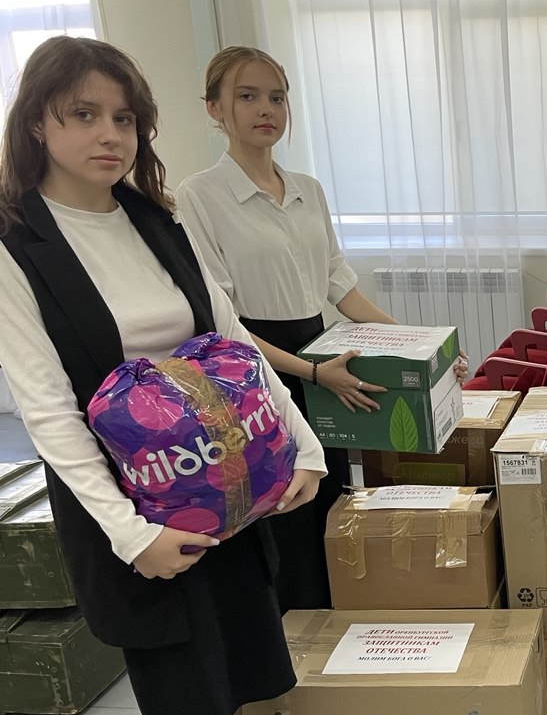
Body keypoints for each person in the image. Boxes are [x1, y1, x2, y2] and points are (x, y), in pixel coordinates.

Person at [0, 36, 322, 715]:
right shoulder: (18, 245)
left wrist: (302, 445)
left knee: (239, 664)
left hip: (224, 485)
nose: (111, 134)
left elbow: (232, 345)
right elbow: (48, 412)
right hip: (131, 512)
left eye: (126, 117)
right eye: (84, 115)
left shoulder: (154, 218)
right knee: (180, 682)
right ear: (37, 123)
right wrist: (130, 533)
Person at [175, 46, 466, 612]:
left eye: (277, 97)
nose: (267, 109)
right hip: (254, 370)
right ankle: (293, 632)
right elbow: (220, 322)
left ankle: (335, 622)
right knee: (281, 509)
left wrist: (424, 349)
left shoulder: (308, 188)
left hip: (319, 351)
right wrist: (311, 373)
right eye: (247, 96)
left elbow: (342, 289)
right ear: (214, 108)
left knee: (329, 495)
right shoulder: (199, 195)